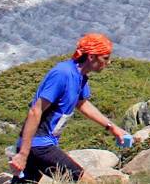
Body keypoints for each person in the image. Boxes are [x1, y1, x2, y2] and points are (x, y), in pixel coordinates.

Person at [8, 33, 131, 183]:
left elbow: (82, 103)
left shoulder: (80, 76)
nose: (109, 62)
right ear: (91, 57)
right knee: (85, 181)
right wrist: (23, 154)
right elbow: (35, 111)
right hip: (39, 145)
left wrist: (112, 127)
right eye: (105, 58)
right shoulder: (63, 73)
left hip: (42, 144)